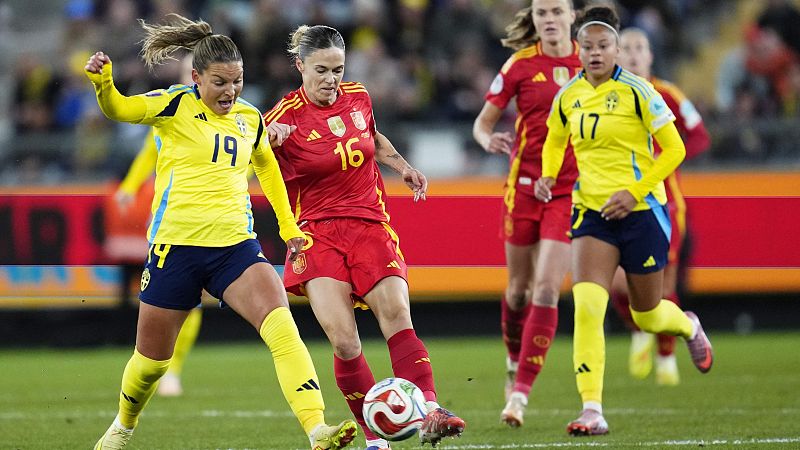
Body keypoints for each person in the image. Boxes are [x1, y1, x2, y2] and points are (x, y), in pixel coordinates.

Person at [85, 14, 356, 450]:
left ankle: (316, 430)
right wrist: (105, 85)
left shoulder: (250, 117)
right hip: (176, 249)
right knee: (152, 362)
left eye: (238, 81)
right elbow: (120, 108)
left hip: (235, 249)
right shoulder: (172, 105)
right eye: (219, 82)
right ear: (196, 78)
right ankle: (122, 426)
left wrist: (288, 227)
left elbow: (265, 164)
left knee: (282, 328)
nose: (230, 91)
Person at [263, 25, 466, 450]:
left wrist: (403, 167)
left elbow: (371, 137)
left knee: (396, 313)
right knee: (344, 338)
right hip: (315, 233)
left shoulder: (359, 96)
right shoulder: (281, 118)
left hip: (369, 222)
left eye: (337, 69)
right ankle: (375, 435)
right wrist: (265, 144)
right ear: (300, 66)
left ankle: (430, 409)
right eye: (320, 70)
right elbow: (248, 155)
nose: (330, 79)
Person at [534, 5, 714, 436]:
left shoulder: (640, 91)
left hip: (642, 213)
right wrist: (546, 175)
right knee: (589, 307)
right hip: (592, 213)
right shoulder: (568, 96)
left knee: (648, 313)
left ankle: (687, 324)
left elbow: (674, 150)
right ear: (579, 50)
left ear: (616, 49)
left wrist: (634, 191)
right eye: (589, 46)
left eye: (604, 46)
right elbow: (556, 140)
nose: (595, 53)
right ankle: (592, 410)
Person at [472, 0, 581, 428]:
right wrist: (487, 140)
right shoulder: (519, 66)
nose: (550, 19)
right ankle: (512, 360)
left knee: (547, 289)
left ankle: (519, 394)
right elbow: (483, 123)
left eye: (557, 11)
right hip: (523, 189)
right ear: (533, 20)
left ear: (572, 15)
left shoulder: (591, 63)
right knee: (517, 290)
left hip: (569, 191)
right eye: (542, 13)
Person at [612, 27, 712, 386]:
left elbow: (699, 135)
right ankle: (639, 327)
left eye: (641, 48)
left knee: (661, 282)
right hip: (616, 200)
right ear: (616, 54)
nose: (635, 54)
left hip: (663, 204)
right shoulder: (606, 96)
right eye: (627, 48)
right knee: (613, 280)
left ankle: (666, 357)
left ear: (651, 56)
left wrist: (667, 155)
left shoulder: (667, 93)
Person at [113, 127, 203, 397]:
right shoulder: (172, 113)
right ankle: (152, 367)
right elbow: (149, 152)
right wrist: (129, 186)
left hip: (214, 219)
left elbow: (250, 157)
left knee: (193, 303)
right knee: (164, 301)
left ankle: (172, 370)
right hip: (173, 220)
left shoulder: (234, 116)